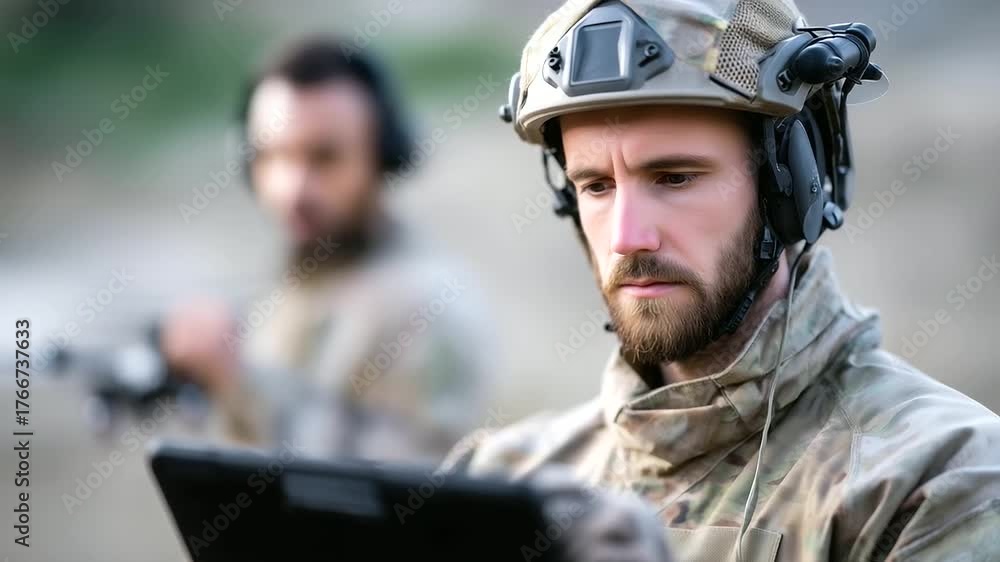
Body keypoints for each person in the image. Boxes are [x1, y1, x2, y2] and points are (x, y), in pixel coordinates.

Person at [442, 1, 1000, 560]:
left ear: (788, 188)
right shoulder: (507, 481)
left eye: (675, 177)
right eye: (596, 186)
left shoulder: (936, 480)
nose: (627, 237)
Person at [161, 37, 494, 465]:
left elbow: (391, 489)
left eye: (324, 157)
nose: (293, 188)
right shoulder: (304, 276)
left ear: (383, 156)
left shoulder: (427, 303)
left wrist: (236, 383)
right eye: (271, 156)